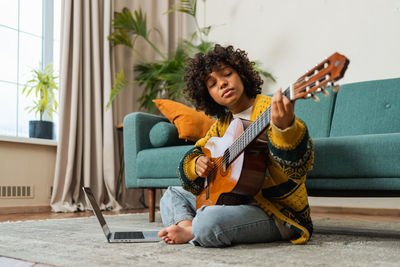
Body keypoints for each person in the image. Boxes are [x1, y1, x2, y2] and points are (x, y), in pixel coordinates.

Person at [157, 44, 314, 247]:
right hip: (232, 202)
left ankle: (193, 228)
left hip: (276, 213)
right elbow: (196, 152)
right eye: (212, 84)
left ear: (241, 74)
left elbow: (298, 169)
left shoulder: (269, 109)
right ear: (208, 95)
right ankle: (189, 227)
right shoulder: (221, 125)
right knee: (172, 193)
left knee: (208, 220)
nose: (222, 84)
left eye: (227, 74)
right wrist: (196, 163)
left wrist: (285, 129)